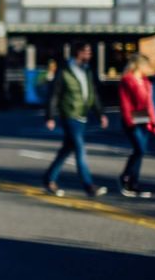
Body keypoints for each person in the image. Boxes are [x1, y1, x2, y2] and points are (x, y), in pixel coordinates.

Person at [42, 42, 109, 197]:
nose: (89, 55)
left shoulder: (87, 71)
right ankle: (89, 185)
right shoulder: (64, 70)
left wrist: (101, 114)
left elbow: (93, 94)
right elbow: (55, 94)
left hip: (82, 115)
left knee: (66, 150)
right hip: (69, 115)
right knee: (80, 149)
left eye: (90, 52)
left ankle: (49, 179)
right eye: (86, 51)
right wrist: (50, 116)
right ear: (77, 52)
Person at [117, 53, 155, 198]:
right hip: (132, 118)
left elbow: (150, 104)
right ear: (139, 65)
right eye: (146, 65)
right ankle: (125, 177)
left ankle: (134, 183)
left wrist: (154, 121)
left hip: (144, 118)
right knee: (139, 149)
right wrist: (129, 120)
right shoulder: (127, 80)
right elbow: (125, 102)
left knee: (140, 151)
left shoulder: (146, 81)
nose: (148, 68)